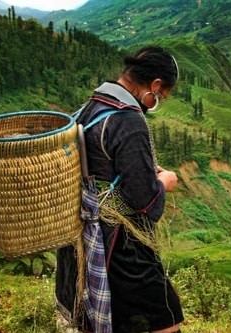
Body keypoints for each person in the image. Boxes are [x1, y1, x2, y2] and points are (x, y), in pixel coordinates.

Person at [56, 46, 183, 333]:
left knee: (121, 317)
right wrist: (164, 182)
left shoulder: (95, 105)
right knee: (165, 314)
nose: (156, 102)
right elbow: (142, 200)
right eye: (160, 97)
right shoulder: (128, 120)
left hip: (91, 234)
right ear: (155, 85)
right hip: (122, 243)